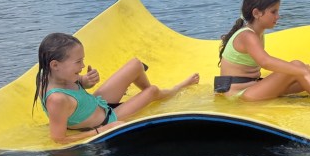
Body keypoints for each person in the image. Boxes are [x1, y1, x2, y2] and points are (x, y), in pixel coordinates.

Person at [33, 32, 200, 144]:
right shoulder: (57, 99)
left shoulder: (51, 74)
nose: (83, 65)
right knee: (152, 90)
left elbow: (73, 90)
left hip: (98, 103)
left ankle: (146, 98)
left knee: (135, 64)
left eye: (82, 60)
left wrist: (85, 81)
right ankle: (177, 88)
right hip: (108, 119)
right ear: (54, 65)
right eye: (78, 62)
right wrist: (102, 130)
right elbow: (59, 139)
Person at [216, 0, 310, 101]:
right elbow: (266, 62)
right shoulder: (247, 35)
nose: (278, 16)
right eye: (273, 12)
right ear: (257, 13)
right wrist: (300, 69)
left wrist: (303, 72)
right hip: (239, 95)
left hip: (253, 87)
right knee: (299, 67)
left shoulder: (257, 33)